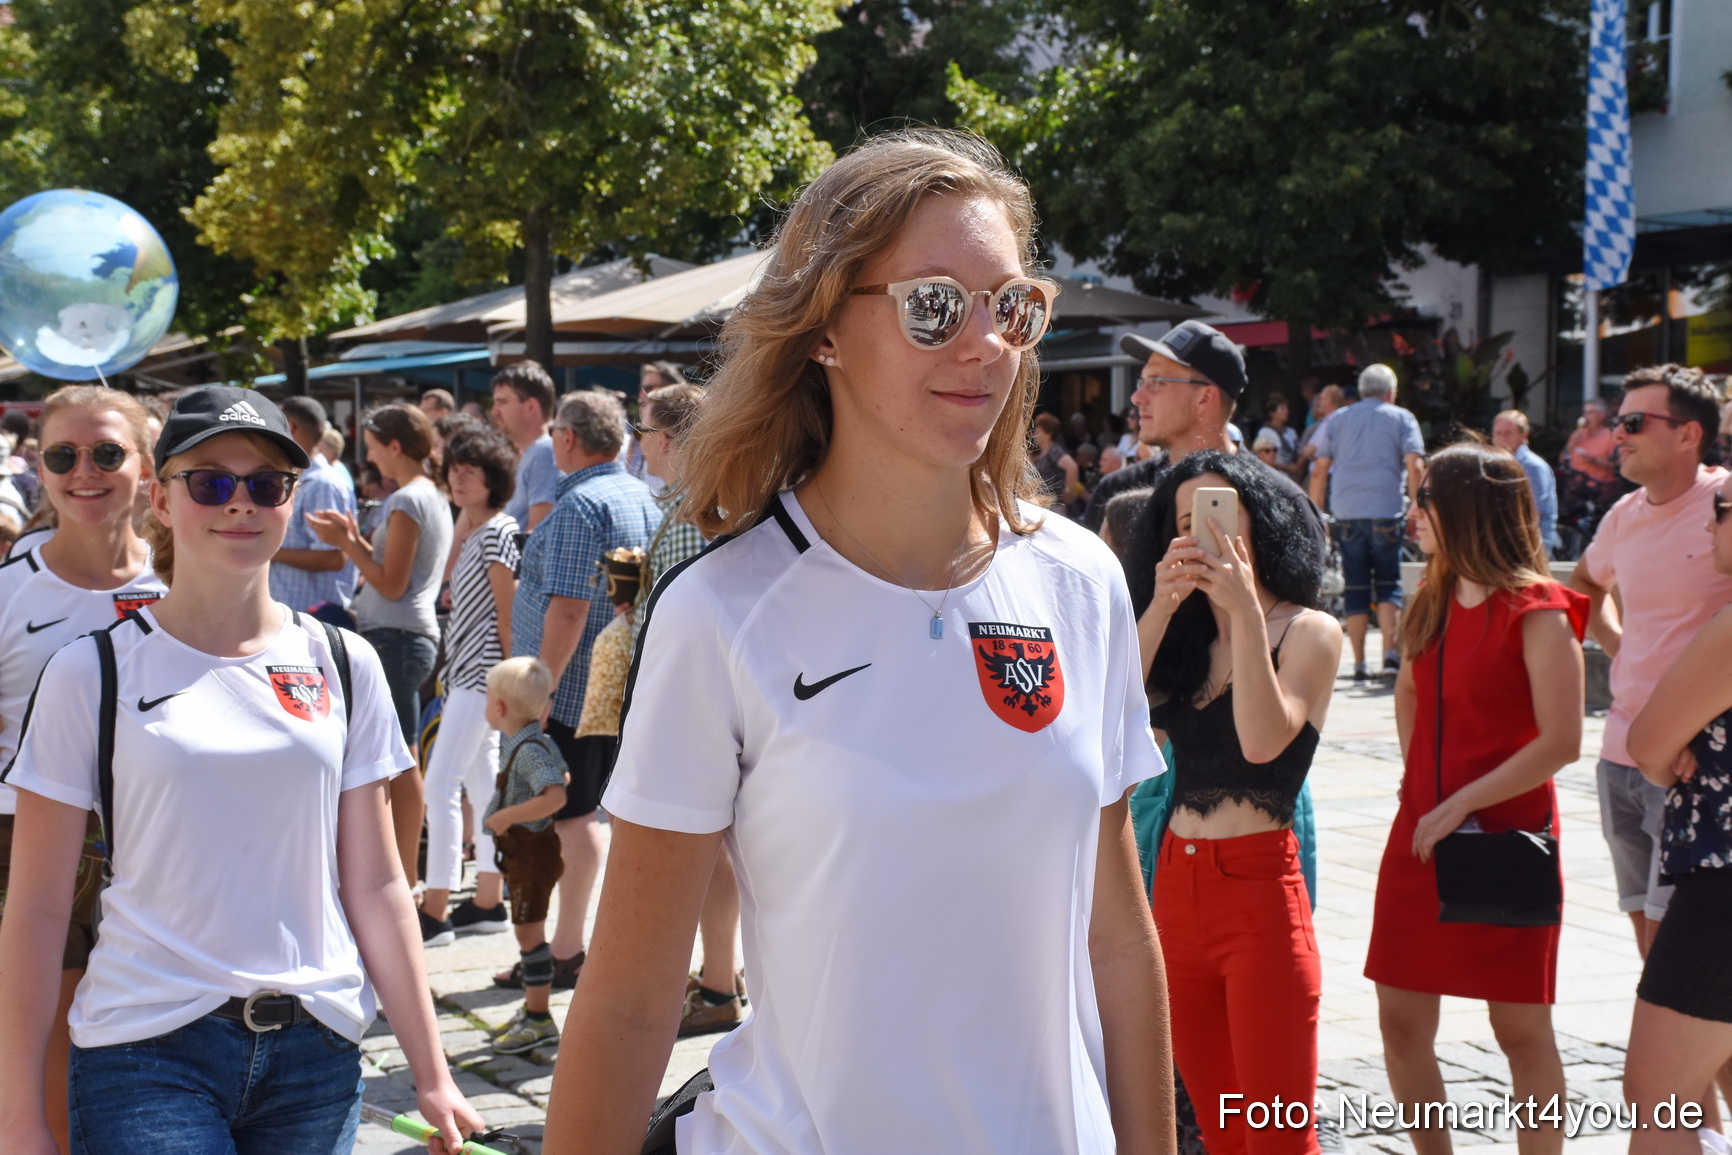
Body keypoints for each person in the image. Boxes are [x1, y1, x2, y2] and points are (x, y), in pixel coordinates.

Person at [543, 128, 1173, 1155]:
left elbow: (1114, 942)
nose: (986, 345)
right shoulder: (722, 613)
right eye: (933, 307)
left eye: (1012, 307)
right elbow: (626, 1000)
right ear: (824, 328)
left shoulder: (1080, 581)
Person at [0, 386, 482, 1155]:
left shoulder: (342, 659)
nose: (240, 503)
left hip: (314, 1051)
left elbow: (379, 883)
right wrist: (18, 1109)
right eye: (211, 481)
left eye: (265, 482)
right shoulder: (89, 672)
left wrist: (433, 1070)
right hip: (145, 1048)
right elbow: (36, 908)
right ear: (161, 497)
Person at [1365, 442, 1586, 1155]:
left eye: (1424, 499)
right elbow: (1407, 690)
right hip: (1422, 833)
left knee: (1521, 1031)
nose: (1413, 512)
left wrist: (1459, 801)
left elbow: (1562, 741)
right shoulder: (1430, 594)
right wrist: (1422, 787)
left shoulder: (1538, 608)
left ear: (1465, 507)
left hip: (1507, 838)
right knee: (1399, 1019)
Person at [1129, 450, 1340, 1155]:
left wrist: (1246, 610)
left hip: (1259, 893)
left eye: (1219, 513)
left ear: (1260, 518)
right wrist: (1161, 604)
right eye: (1185, 522)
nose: (1202, 532)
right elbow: (1110, 712)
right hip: (1175, 889)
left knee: (1278, 1137)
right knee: (1221, 1133)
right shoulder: (1183, 639)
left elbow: (1260, 740)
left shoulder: (1308, 631)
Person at [0, 386, 165, 1154]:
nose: (84, 472)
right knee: (53, 1045)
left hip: (160, 839)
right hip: (28, 843)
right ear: (40, 466)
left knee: (150, 1038)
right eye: (63, 455)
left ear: (145, 465)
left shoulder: (185, 584)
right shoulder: (11, 589)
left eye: (106, 452)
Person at [1568, 365, 1732, 956]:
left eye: (1635, 422)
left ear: (1689, 434)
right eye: (1618, 421)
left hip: (1691, 764)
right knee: (1648, 944)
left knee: (1680, 952)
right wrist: (1620, 647)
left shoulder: (1725, 505)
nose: (1618, 434)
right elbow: (1587, 583)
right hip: (1619, 757)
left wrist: (1695, 719)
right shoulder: (1623, 515)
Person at [506, 389, 659, 992]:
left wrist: (539, 691)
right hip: (612, 684)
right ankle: (570, 946)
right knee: (584, 816)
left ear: (567, 439)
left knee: (568, 819)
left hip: (572, 692)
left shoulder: (581, 505)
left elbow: (568, 609)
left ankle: (565, 950)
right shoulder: (640, 493)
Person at [1625, 468, 1732, 1155]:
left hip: (1723, 889)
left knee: (1657, 1108)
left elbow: (1647, 744)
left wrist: (1675, 755)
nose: (1707, 519)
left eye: (1721, 508)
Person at [308, 403, 454, 886]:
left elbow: (392, 585)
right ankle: (405, 875)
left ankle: (404, 876)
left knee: (397, 761)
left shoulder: (407, 499)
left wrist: (346, 544)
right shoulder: (424, 494)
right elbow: (397, 575)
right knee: (400, 757)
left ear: (395, 447)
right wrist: (352, 538)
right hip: (404, 637)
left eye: (371, 450)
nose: (369, 461)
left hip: (397, 638)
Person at [419, 426, 521, 945]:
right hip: (467, 673)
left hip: (483, 677)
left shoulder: (498, 532)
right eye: (453, 469)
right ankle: (487, 898)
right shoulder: (480, 527)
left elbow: (508, 614)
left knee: (439, 786)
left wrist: (510, 684)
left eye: (470, 470)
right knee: (481, 788)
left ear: (491, 477)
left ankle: (436, 907)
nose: (458, 478)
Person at [1308, 364, 1425, 682]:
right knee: (1389, 585)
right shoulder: (1401, 417)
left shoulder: (1338, 420)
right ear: (1391, 392)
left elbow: (1319, 470)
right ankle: (1389, 657)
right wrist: (1418, 507)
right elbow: (1415, 465)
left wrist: (1315, 513)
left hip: (1347, 511)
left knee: (1356, 588)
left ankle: (1359, 663)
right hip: (1385, 510)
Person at [480, 657, 570, 1057]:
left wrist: (505, 817)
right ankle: (533, 1009)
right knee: (525, 929)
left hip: (531, 856)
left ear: (499, 708)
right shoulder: (532, 740)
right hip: (524, 855)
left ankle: (539, 1018)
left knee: (529, 934)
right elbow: (563, 775)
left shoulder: (529, 750)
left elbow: (556, 794)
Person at [269, 397, 359, 617]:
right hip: (299, 619)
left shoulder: (322, 484)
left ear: (290, 427)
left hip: (316, 620)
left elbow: (334, 557)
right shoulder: (303, 480)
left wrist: (267, 550)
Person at [491, 362, 559, 534]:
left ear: (531, 406)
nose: (494, 412)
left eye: (502, 402)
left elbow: (537, 535)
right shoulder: (531, 452)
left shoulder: (544, 452)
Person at [1492, 409, 1561, 556]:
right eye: (1498, 433)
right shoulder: (1496, 464)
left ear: (1524, 435)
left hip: (1529, 549)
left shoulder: (1532, 466)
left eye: (1508, 433)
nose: (1502, 438)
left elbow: (1533, 514)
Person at [625, 363, 684, 492]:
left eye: (648, 388)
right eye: (641, 388)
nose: (642, 394)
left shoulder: (680, 430)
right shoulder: (635, 437)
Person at [1559, 397, 1620, 505]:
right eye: (1585, 412)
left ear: (1602, 415)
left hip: (1599, 490)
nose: (1586, 416)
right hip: (1575, 489)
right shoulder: (1577, 434)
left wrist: (1593, 460)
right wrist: (1571, 445)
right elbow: (1562, 460)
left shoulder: (1611, 436)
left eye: (1591, 412)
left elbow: (1616, 467)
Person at [1031, 412, 1079, 511]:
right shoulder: (1041, 452)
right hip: (1043, 505)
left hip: (1054, 506)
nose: (1034, 434)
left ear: (1048, 434)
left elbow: (1072, 466)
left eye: (1038, 431)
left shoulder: (1054, 451)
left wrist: (1068, 490)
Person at [1256, 392, 1301, 479]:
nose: (1286, 411)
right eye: (1282, 409)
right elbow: (1264, 459)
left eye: (1287, 408)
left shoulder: (1292, 432)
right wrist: (1289, 468)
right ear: (1273, 413)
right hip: (1274, 476)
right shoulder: (1265, 432)